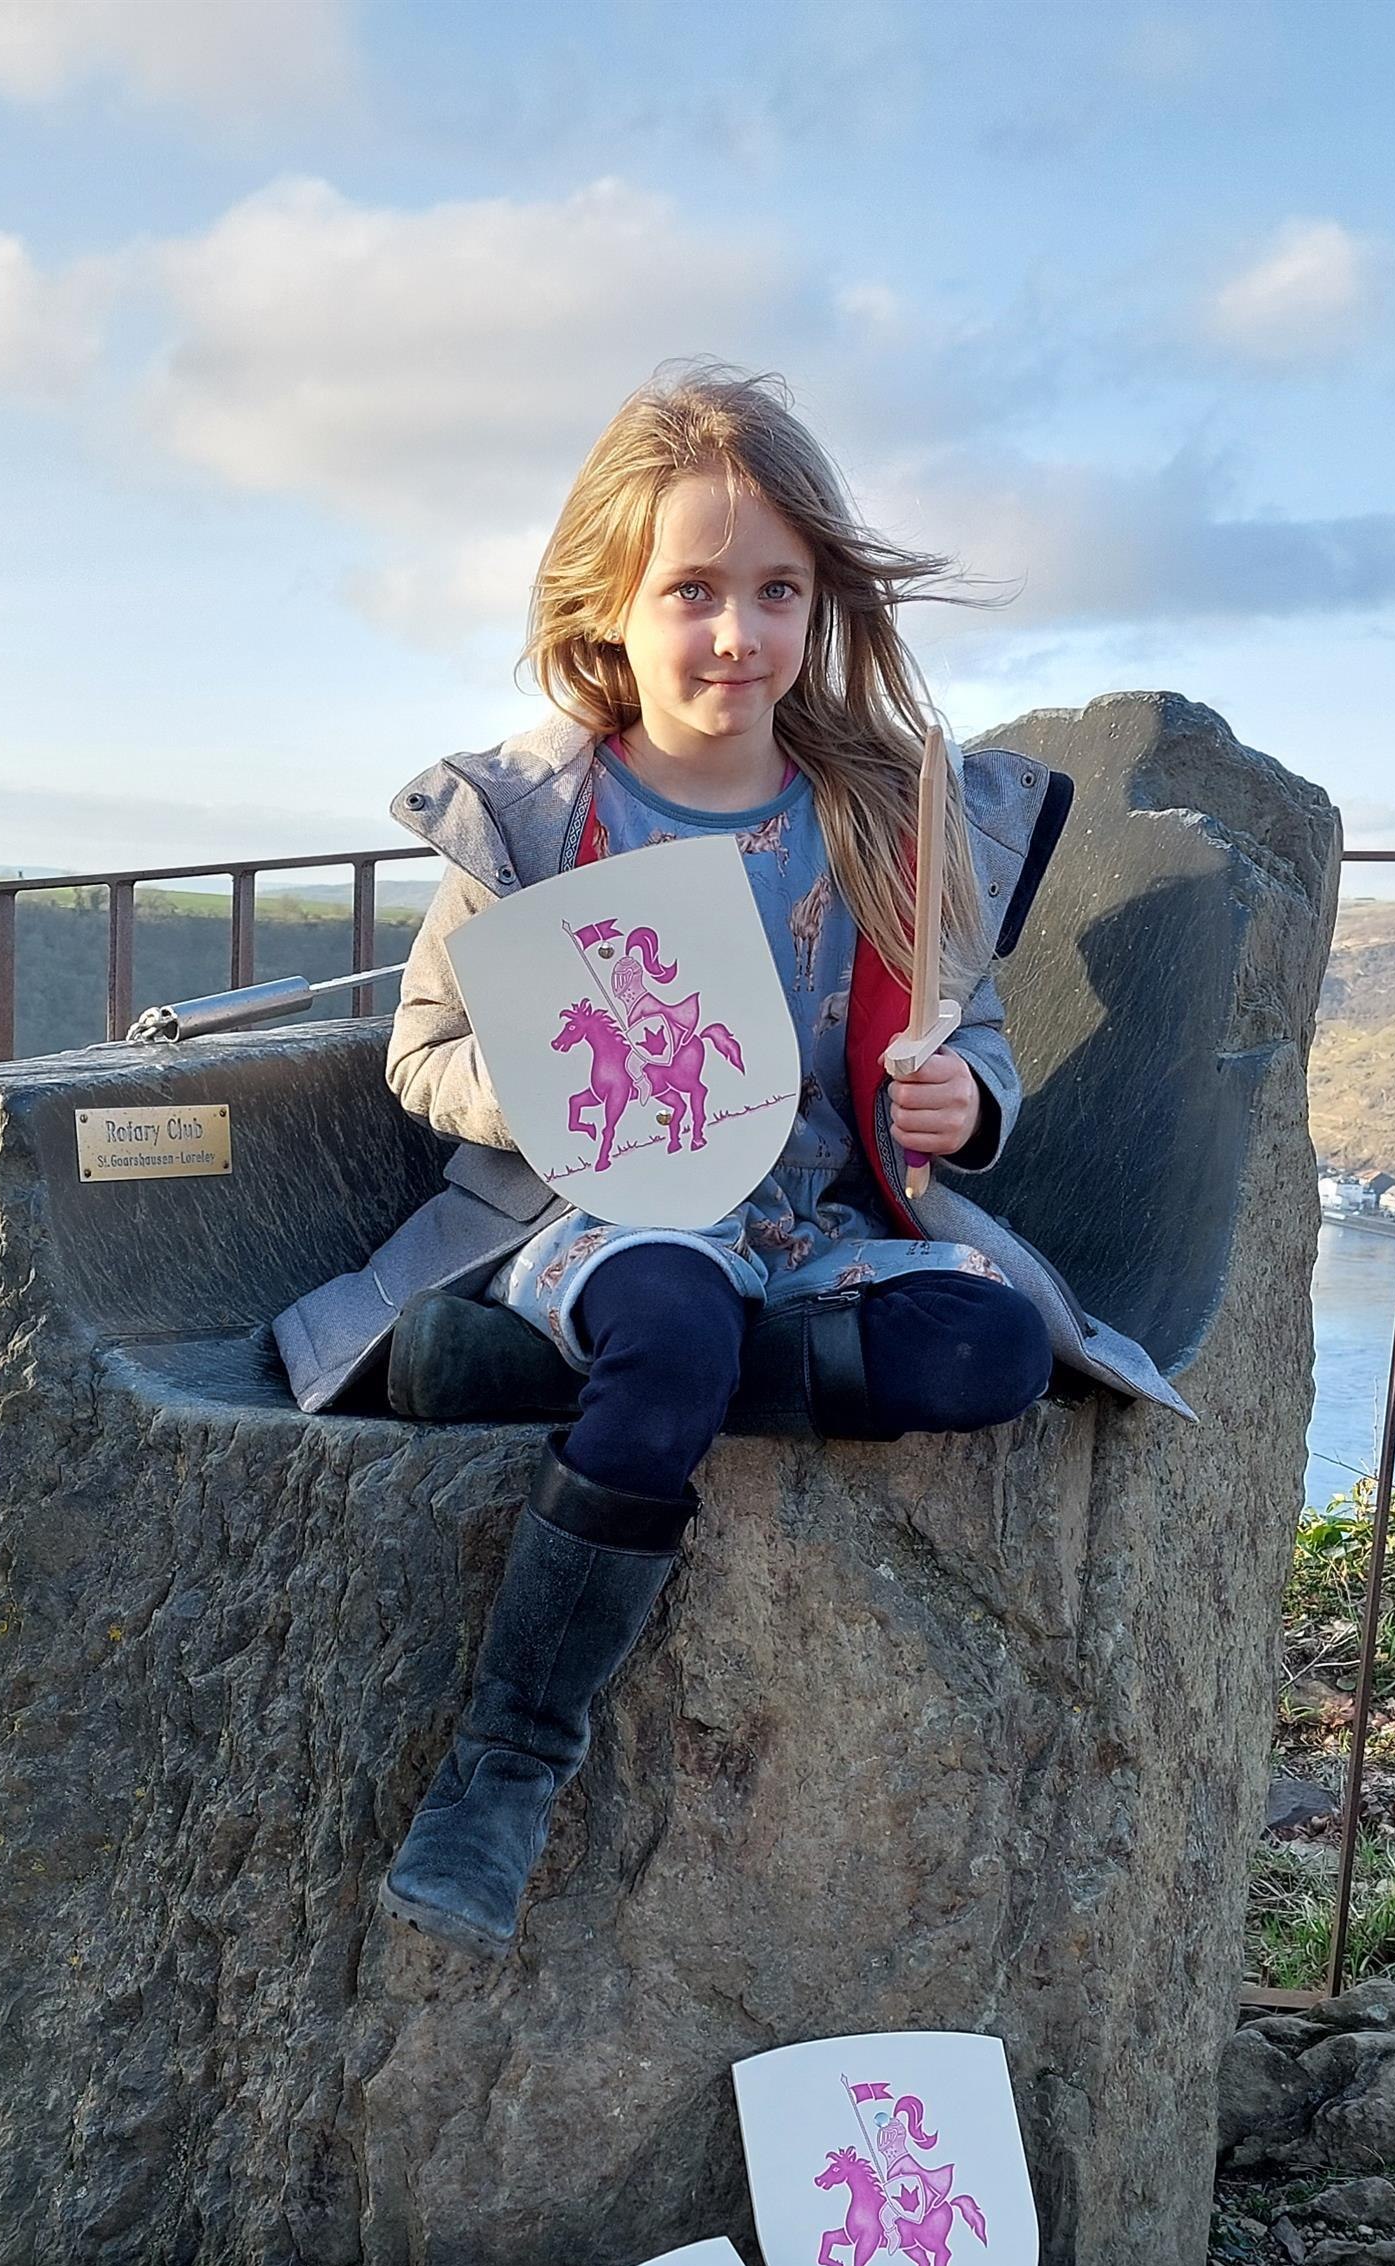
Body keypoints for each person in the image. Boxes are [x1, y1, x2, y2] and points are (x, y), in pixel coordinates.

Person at [349, 367, 1167, 1950]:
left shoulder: (879, 815)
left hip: (810, 1237)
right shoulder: (538, 824)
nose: (739, 633)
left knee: (993, 1347)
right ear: (611, 604)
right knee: (670, 1317)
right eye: (694, 591)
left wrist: (966, 1105)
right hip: (615, 1221)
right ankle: (506, 1765)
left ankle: (563, 1380)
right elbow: (422, 1052)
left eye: (777, 591)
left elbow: (972, 1033)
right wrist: (555, 1100)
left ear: (820, 605)